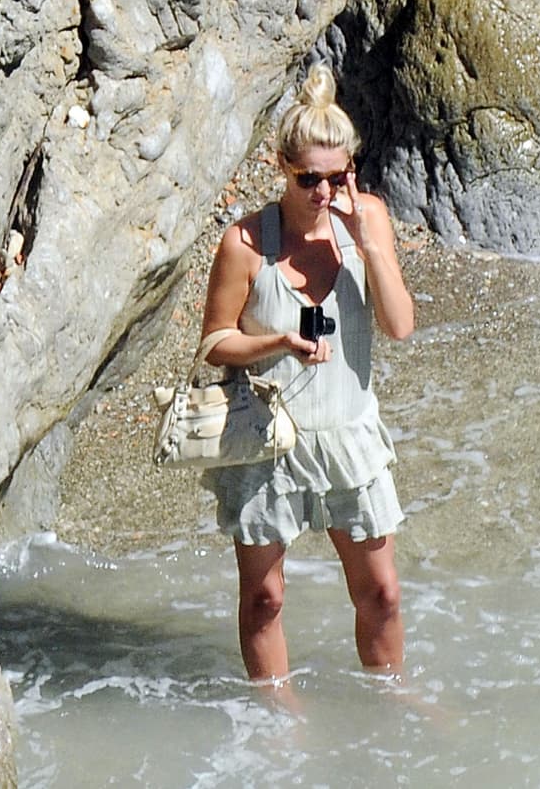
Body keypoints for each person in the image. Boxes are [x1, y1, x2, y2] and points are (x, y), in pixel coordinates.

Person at [199, 64, 414, 686]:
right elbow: (215, 343)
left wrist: (367, 244)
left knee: (382, 594)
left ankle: (390, 702)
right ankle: (277, 720)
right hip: (269, 442)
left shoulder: (368, 218)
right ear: (282, 167)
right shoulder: (245, 243)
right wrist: (277, 343)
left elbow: (400, 325)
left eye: (337, 177)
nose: (324, 192)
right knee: (265, 600)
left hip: (348, 436)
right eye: (309, 179)